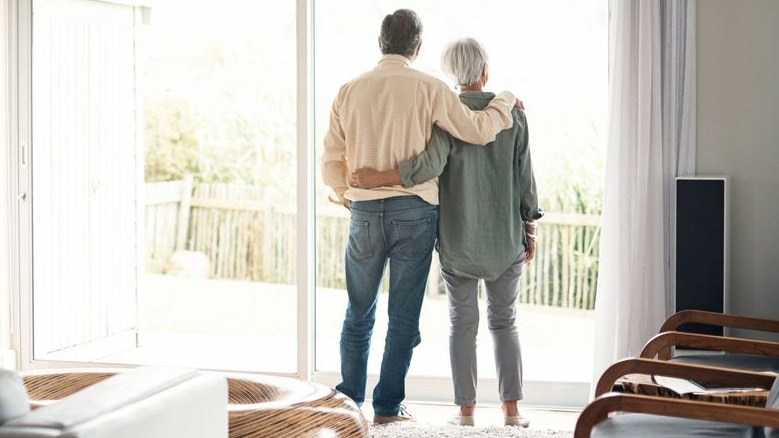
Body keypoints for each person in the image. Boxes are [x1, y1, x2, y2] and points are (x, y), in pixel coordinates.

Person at [321, 10, 523, 425]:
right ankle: (387, 408)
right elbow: (479, 130)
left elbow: (331, 158)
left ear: (381, 43)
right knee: (402, 316)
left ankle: (349, 404)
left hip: (363, 212)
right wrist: (505, 99)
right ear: (417, 46)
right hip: (413, 213)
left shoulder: (348, 90)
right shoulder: (430, 88)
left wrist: (347, 195)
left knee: (358, 311)